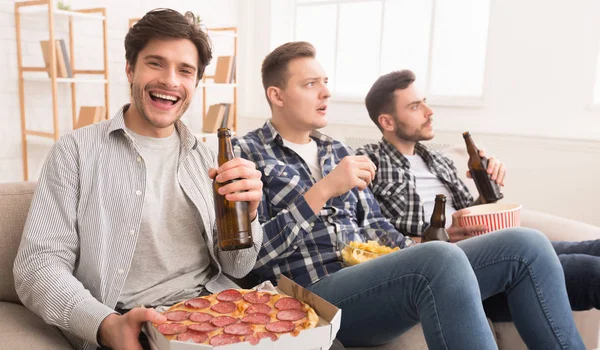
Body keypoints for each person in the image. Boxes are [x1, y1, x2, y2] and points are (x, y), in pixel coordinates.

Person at [232, 41, 585, 349]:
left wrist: (419, 249)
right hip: (314, 295)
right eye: (311, 85)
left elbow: (379, 228)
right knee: (440, 259)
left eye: (325, 83)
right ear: (276, 95)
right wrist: (323, 191)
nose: (325, 93)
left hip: (376, 277)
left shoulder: (337, 150)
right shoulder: (244, 153)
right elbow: (252, 258)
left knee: (526, 244)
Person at [13, 9, 264, 350]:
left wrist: (248, 217)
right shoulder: (75, 151)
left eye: (185, 70)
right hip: (130, 323)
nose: (171, 81)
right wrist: (105, 325)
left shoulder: (208, 158)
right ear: (130, 69)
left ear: (195, 82)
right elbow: (38, 265)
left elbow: (238, 266)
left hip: (214, 312)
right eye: (155, 63)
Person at [355, 69, 600, 315]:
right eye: (415, 106)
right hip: (450, 267)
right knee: (590, 272)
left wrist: (486, 187)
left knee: (595, 248)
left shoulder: (439, 161)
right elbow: (364, 235)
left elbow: (469, 215)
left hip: (486, 247)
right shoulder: (367, 162)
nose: (430, 112)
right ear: (387, 121)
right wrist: (440, 239)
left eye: (425, 102)